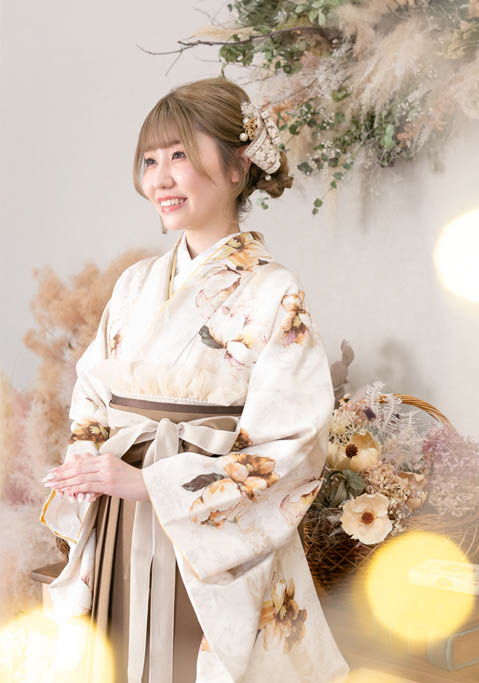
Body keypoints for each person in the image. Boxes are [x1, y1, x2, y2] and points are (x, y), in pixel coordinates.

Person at [40, 77, 350, 683]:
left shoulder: (274, 290)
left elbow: (292, 443)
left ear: (237, 167)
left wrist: (151, 485)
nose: (159, 178)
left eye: (179, 155)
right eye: (150, 160)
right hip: (120, 516)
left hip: (200, 529)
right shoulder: (135, 283)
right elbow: (93, 392)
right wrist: (86, 459)